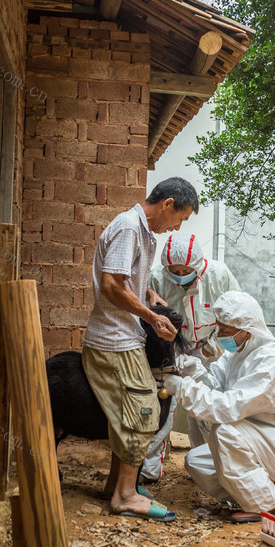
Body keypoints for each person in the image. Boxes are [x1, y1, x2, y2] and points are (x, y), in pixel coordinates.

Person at [81, 177, 198, 522]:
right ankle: (125, 496)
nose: (176, 226)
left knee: (131, 412)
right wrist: (150, 317)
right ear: (167, 204)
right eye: (180, 218)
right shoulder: (129, 227)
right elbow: (112, 285)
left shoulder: (142, 232)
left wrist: (148, 294)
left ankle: (117, 484)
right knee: (144, 411)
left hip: (124, 335)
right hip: (114, 340)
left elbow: (126, 277)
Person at [162, 291, 275, 522]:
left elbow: (228, 407)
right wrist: (195, 372)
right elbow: (217, 386)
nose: (220, 335)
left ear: (246, 329)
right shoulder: (238, 352)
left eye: (226, 331)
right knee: (196, 461)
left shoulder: (269, 359)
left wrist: (184, 388)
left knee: (225, 431)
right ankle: (256, 490)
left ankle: (266, 504)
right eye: (219, 328)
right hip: (263, 437)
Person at [140, 234, 241, 481]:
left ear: (198, 264)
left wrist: (210, 350)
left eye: (185, 269)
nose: (179, 273)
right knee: (163, 406)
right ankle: (149, 470)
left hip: (209, 351)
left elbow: (237, 315)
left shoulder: (219, 275)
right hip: (171, 351)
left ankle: (208, 466)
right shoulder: (156, 278)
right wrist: (170, 355)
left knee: (205, 407)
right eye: (174, 269)